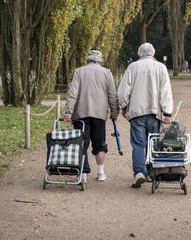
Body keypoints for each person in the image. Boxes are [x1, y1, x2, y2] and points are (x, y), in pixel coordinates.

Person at [118, 42, 173, 188]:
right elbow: (165, 92)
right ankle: (151, 172)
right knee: (153, 144)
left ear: (139, 54)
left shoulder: (133, 67)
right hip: (154, 112)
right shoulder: (161, 67)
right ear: (153, 53)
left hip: (137, 112)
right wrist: (167, 112)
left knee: (138, 144)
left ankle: (139, 173)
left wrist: (123, 106)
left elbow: (124, 90)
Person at [64, 50, 119, 183]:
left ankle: (83, 174)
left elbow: (72, 93)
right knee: (99, 144)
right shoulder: (107, 73)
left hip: (81, 114)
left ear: (88, 59)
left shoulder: (79, 71)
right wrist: (114, 113)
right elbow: (112, 95)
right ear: (100, 60)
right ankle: (100, 173)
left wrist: (68, 112)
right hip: (100, 114)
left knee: (81, 143)